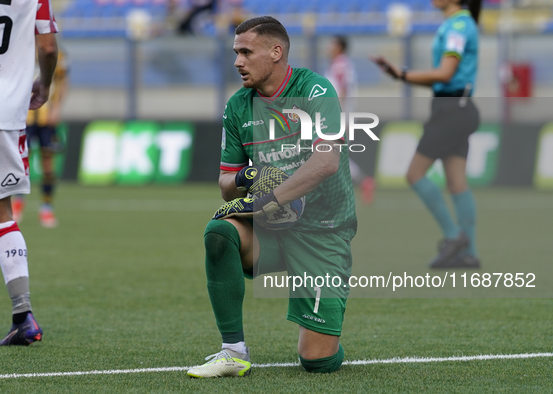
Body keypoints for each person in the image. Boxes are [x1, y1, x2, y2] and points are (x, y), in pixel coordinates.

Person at [187, 16, 357, 378]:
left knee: (317, 361)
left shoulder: (315, 90)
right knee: (219, 232)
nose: (238, 62)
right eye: (236, 53)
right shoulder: (237, 106)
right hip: (273, 231)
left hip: (323, 231)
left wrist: (267, 199)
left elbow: (326, 161)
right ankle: (232, 351)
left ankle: (330, 322)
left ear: (276, 51)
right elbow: (226, 183)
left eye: (246, 52)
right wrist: (249, 176)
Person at [0, 0, 59, 345]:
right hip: (3, 111)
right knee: (0, 212)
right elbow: (47, 46)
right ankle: (23, 315)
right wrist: (44, 85)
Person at [370, 0, 482, 268]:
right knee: (456, 183)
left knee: (414, 174)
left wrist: (403, 75)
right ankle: (469, 254)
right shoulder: (459, 23)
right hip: (458, 107)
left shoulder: (456, 26)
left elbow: (445, 73)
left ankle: (455, 238)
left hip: (452, 110)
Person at [12, 47, 69, 228]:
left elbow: (63, 83)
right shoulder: (21, 46)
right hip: (24, 117)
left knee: (47, 164)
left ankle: (46, 208)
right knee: (20, 162)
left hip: (47, 118)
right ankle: (17, 204)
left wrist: (58, 109)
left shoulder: (59, 54)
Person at [325, 35, 376, 205]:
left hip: (337, 114)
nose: (328, 47)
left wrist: (336, 113)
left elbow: (343, 89)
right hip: (339, 113)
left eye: (331, 44)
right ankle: (362, 182)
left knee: (329, 153)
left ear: (339, 47)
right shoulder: (340, 64)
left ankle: (359, 183)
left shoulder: (340, 64)